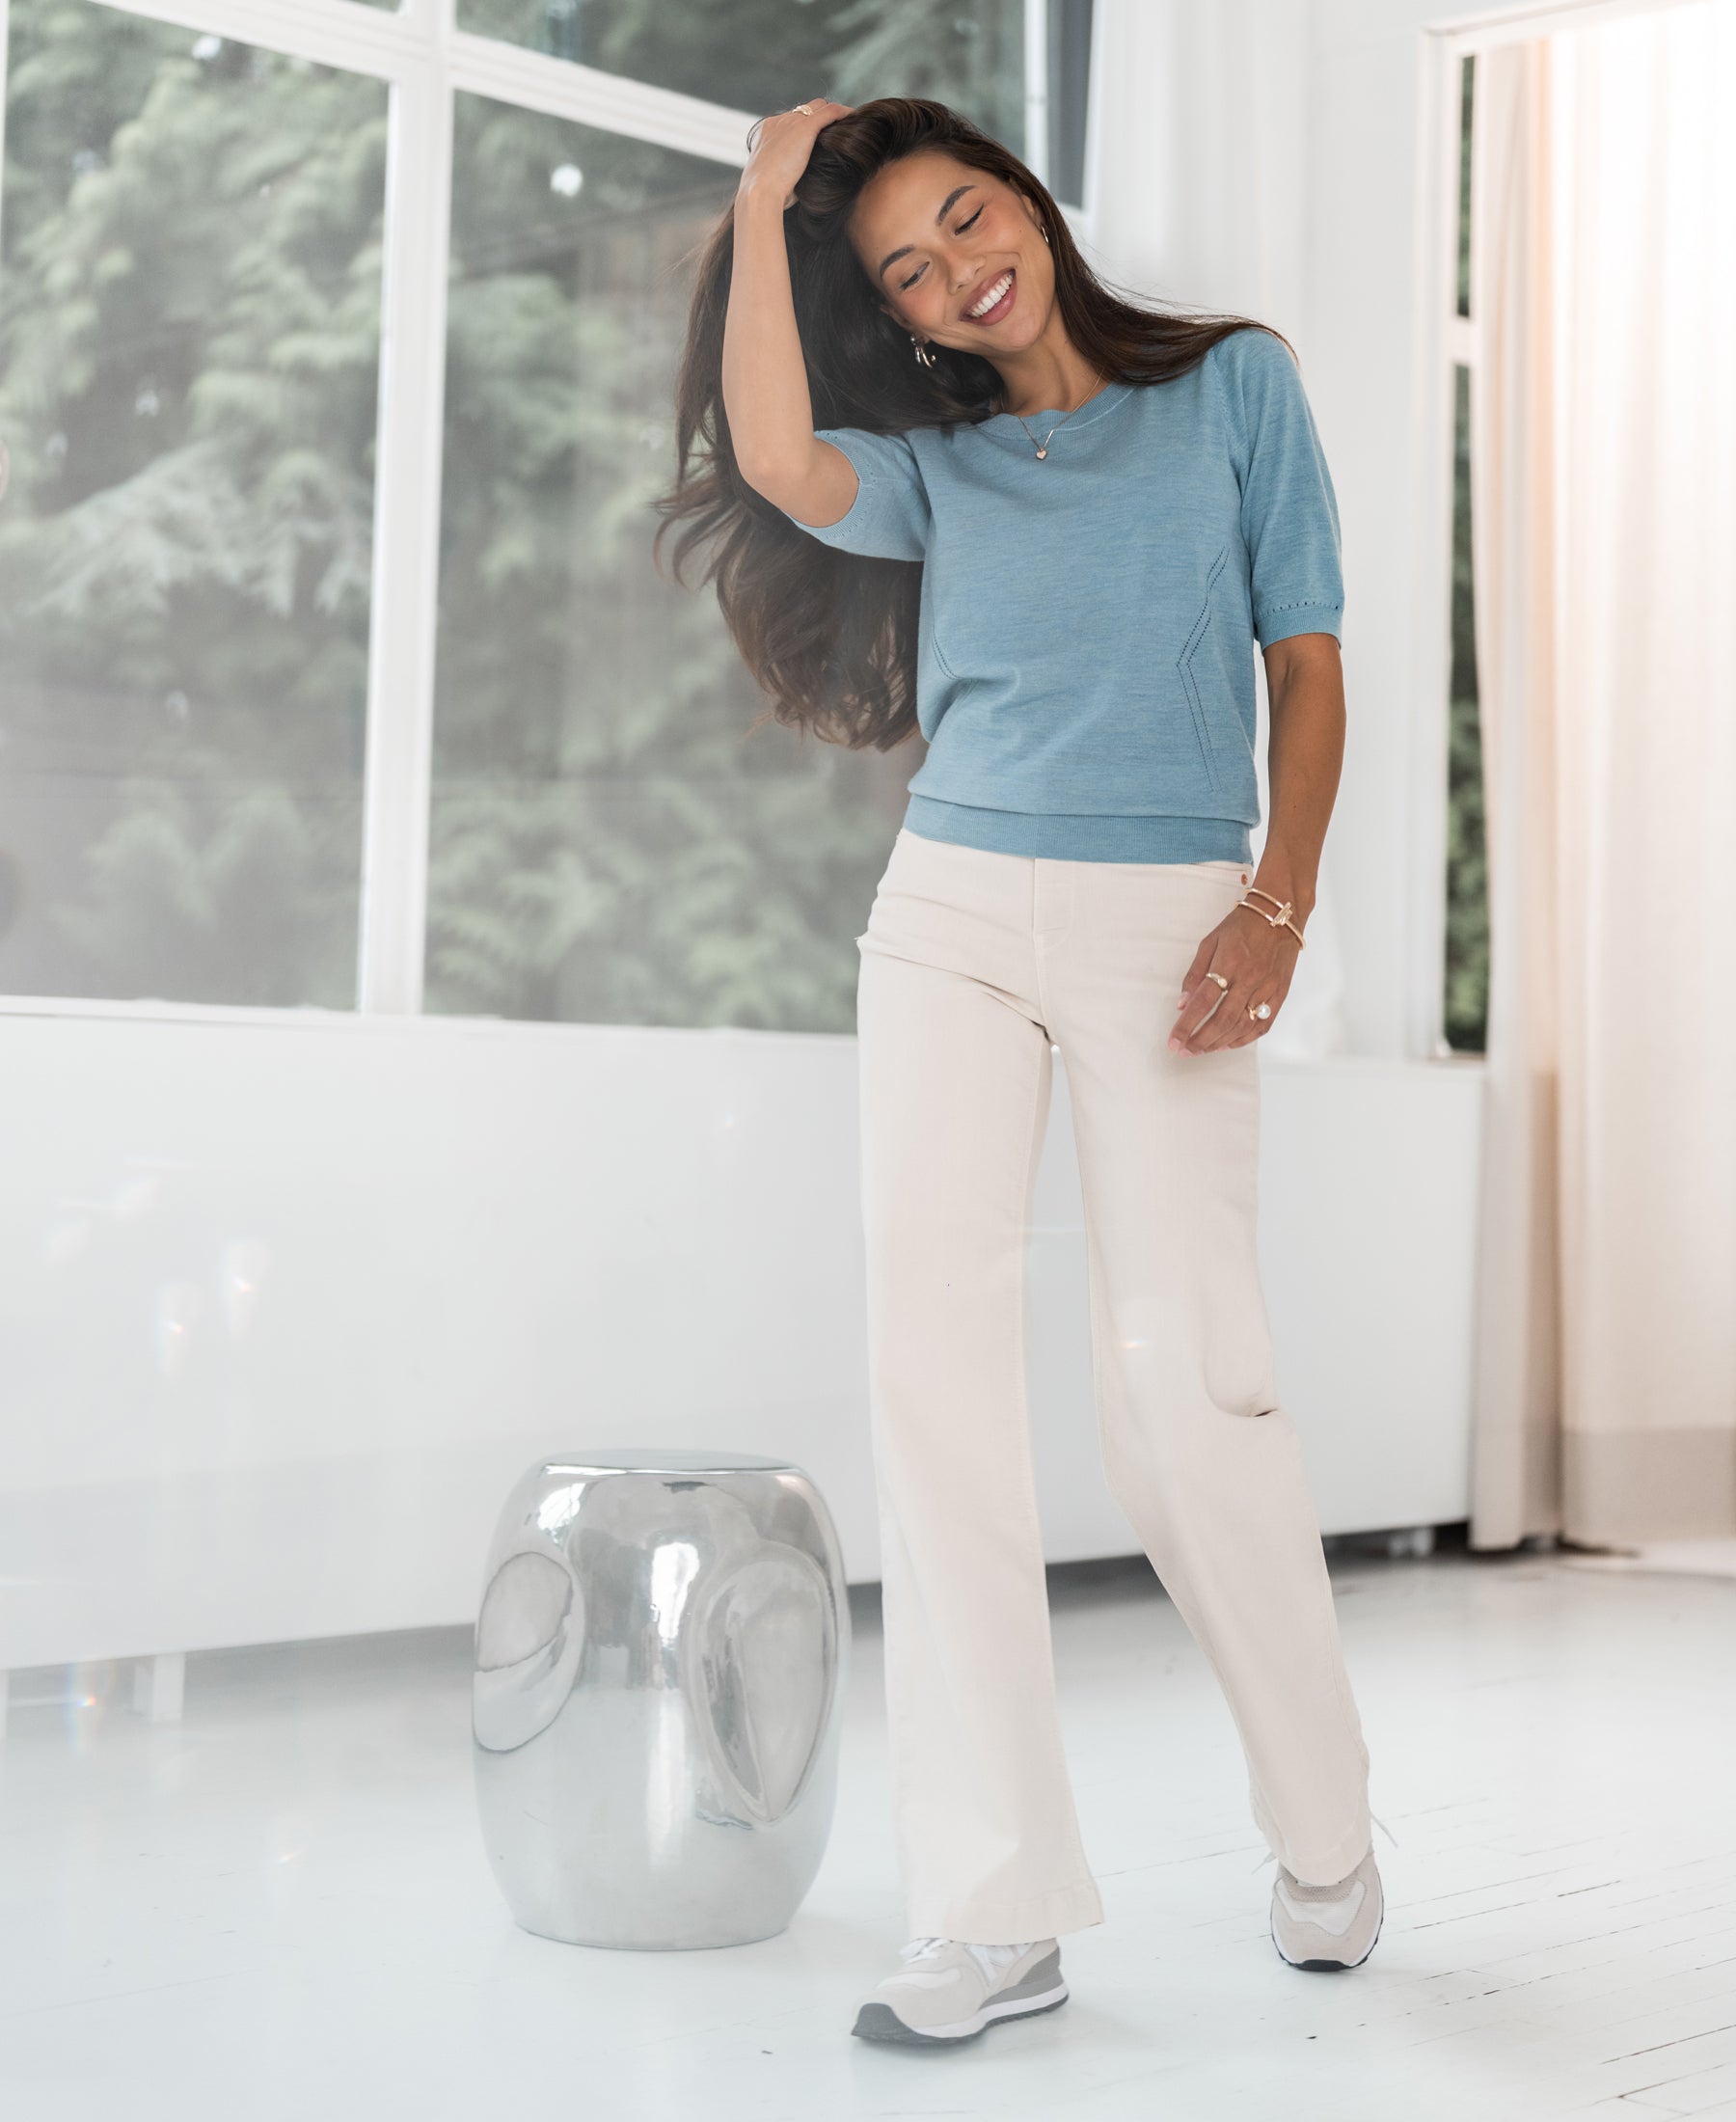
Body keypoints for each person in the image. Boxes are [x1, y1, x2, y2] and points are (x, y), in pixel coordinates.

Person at [657, 95, 1381, 2048]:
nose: (955, 267)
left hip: (1176, 920)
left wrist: (1278, 911)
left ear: (1028, 206)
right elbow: (775, 448)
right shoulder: (933, 465)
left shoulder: (1235, 390)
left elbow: (1307, 663)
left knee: (1186, 1381)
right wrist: (757, 196)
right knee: (940, 1381)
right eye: (905, 266)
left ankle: (1325, 1824)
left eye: (966, 216)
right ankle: (994, 1907)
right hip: (953, 912)